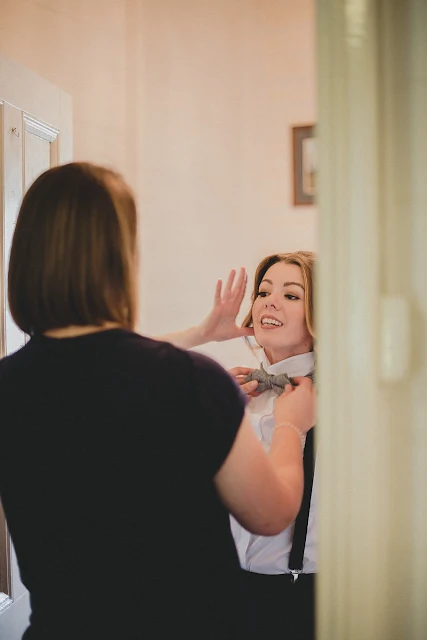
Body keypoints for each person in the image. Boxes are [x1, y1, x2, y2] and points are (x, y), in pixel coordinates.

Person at [0, 163, 315, 640]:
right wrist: (291, 427)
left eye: (291, 294)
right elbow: (269, 515)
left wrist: (198, 335)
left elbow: (89, 362)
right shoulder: (194, 384)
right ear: (121, 260)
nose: (272, 302)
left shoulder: (10, 387)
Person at [165, 251, 317, 640]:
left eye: (292, 295)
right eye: (264, 291)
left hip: (305, 597)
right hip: (224, 588)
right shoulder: (231, 394)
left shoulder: (346, 406)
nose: (269, 300)